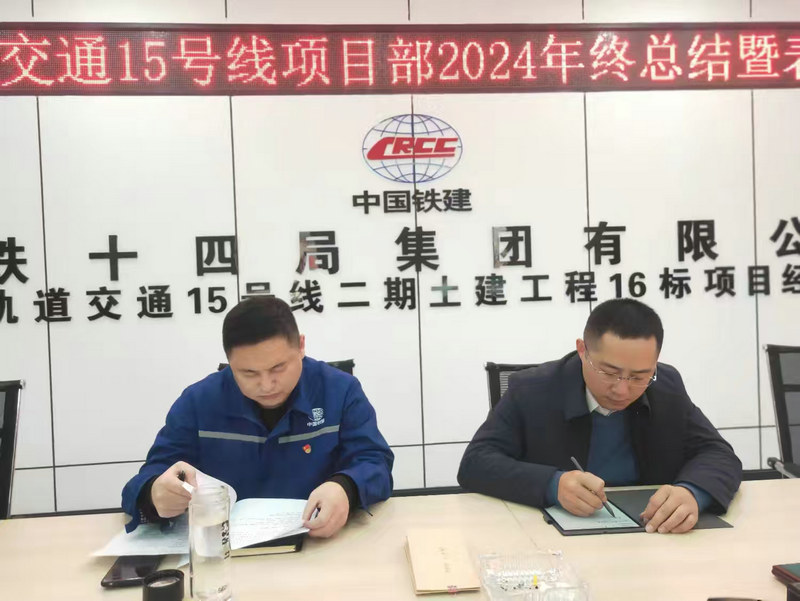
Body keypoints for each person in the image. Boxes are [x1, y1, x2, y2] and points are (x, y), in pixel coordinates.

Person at [458, 298, 741, 534]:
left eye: (639, 376)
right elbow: (476, 463)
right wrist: (553, 485)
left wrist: (693, 493)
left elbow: (718, 453)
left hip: (650, 536)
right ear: (583, 351)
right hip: (555, 542)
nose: (622, 389)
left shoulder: (666, 386)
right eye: (608, 372)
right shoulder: (532, 389)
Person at [122, 297, 393, 538]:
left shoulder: (340, 391)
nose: (266, 385)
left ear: (301, 346)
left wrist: (346, 488)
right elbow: (150, 476)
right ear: (230, 362)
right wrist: (154, 494)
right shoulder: (199, 401)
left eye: (278, 367)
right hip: (225, 552)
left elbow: (374, 462)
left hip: (318, 544)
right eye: (249, 373)